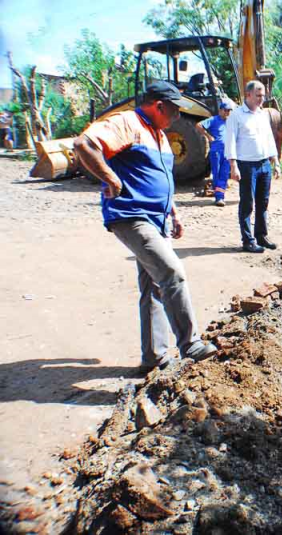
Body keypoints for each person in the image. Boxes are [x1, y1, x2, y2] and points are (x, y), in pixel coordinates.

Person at [73, 81, 218, 372]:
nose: (178, 116)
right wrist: (111, 179)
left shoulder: (159, 135)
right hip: (132, 215)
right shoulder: (127, 123)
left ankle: (153, 357)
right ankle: (190, 344)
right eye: (175, 110)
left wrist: (173, 212)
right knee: (172, 272)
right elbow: (83, 144)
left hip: (157, 218)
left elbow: (161, 177)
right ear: (158, 106)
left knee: (154, 284)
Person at [225, 80, 281, 253]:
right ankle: (248, 240)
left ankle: (261, 236)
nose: (261, 99)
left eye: (263, 95)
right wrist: (233, 165)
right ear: (248, 95)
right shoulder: (236, 115)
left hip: (264, 164)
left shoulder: (262, 115)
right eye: (258, 95)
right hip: (247, 166)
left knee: (263, 202)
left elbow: (269, 138)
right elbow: (230, 141)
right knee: (247, 203)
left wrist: (276, 161)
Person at [196, 99, 234, 207]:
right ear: (220, 110)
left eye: (229, 111)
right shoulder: (213, 120)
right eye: (226, 110)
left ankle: (220, 197)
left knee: (224, 174)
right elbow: (199, 125)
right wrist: (208, 136)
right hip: (216, 151)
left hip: (227, 152)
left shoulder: (230, 122)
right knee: (216, 173)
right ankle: (218, 197)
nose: (227, 113)